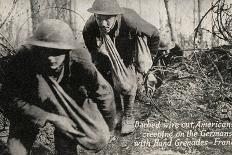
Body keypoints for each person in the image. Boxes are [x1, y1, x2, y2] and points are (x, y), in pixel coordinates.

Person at [0, 19, 116, 155]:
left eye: (57, 52)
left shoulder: (80, 58)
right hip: (32, 102)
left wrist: (109, 126)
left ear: (67, 51)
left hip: (68, 102)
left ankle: (65, 144)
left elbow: (103, 91)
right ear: (37, 48)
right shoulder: (23, 58)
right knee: (16, 152)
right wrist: (47, 117)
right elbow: (8, 98)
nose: (50, 58)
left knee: (99, 137)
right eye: (45, 51)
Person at [83, 0, 160, 135]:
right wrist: (97, 56)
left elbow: (154, 34)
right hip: (107, 46)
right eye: (99, 19)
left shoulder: (130, 21)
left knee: (126, 82)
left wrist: (149, 59)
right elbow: (88, 39)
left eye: (107, 20)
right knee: (107, 76)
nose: (103, 23)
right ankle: (118, 110)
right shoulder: (91, 25)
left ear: (115, 16)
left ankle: (128, 115)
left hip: (129, 45)